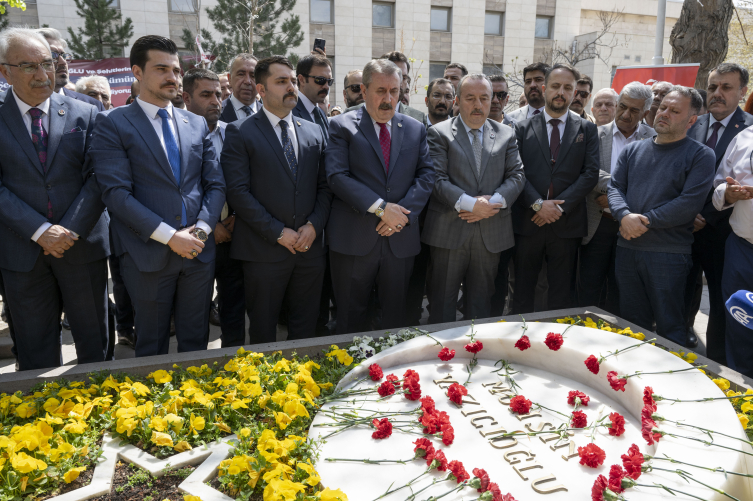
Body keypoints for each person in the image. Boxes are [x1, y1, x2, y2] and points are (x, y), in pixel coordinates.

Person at [90, 35, 226, 357]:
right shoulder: (113, 123)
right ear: (137, 72)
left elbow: (215, 184)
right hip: (146, 255)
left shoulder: (195, 123)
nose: (173, 78)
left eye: (177, 71)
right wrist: (170, 237)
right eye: (162, 69)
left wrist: (202, 231)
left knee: (197, 343)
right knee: (151, 345)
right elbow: (116, 194)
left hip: (198, 252)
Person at [0, 28, 109, 370]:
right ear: (5, 71)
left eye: (48, 63)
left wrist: (68, 230)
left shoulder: (86, 113)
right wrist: (39, 230)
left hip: (82, 248)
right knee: (35, 352)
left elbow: (98, 179)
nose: (43, 74)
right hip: (22, 253)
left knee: (96, 347)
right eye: (29, 66)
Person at [222, 56, 332, 342]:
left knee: (305, 329)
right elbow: (238, 192)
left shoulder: (314, 131)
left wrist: (314, 226)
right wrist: (277, 232)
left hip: (309, 250)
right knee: (262, 331)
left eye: (293, 81)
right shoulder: (240, 131)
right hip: (263, 253)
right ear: (261, 89)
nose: (291, 87)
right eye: (281, 82)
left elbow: (325, 186)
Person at [325, 59, 435, 334]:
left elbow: (426, 176)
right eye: (381, 91)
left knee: (395, 318)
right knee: (350, 317)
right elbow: (337, 176)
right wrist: (380, 208)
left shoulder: (415, 127)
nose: (389, 99)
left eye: (395, 91)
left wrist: (399, 216)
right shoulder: (340, 126)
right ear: (363, 90)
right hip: (354, 239)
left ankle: (391, 375)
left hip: (400, 239)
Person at [608, 86, 714, 347]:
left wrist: (644, 220)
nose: (664, 113)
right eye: (663, 107)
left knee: (670, 329)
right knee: (632, 327)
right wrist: (623, 216)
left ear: (692, 120)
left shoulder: (701, 155)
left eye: (674, 110)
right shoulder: (633, 151)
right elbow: (615, 188)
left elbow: (688, 204)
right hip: (627, 248)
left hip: (668, 254)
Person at [423, 73, 524, 323]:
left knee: (480, 305)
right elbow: (436, 179)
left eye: (484, 98)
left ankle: (474, 358)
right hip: (448, 232)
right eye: (470, 98)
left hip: (490, 231)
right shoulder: (439, 133)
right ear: (457, 100)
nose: (478, 105)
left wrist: (491, 204)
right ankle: (442, 358)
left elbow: (517, 175)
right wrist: (470, 204)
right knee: (442, 304)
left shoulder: (506, 134)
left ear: (492, 101)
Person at [511, 63, 599, 314]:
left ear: (575, 92)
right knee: (522, 293)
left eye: (568, 88)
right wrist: (538, 204)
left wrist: (558, 208)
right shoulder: (522, 127)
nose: (561, 92)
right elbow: (516, 172)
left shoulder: (587, 129)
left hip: (566, 224)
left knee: (562, 296)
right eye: (555, 86)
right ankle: (521, 345)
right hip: (529, 222)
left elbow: (590, 173)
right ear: (544, 88)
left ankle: (555, 344)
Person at [683, 63, 753, 357]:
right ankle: (679, 348)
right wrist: (688, 215)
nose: (717, 93)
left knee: (724, 309)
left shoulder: (748, 130)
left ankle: (718, 366)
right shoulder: (691, 122)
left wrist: (707, 216)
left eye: (726, 87)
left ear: (742, 92)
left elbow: (728, 181)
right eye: (712, 87)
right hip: (683, 228)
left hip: (725, 236)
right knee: (681, 296)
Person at [182, 67, 246, 347]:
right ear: (186, 97)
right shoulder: (176, 135)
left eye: (219, 94)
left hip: (234, 235)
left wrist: (234, 218)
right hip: (194, 236)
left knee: (233, 307)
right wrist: (211, 226)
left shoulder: (235, 133)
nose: (216, 101)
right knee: (195, 314)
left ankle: (235, 364)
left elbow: (246, 181)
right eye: (206, 95)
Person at [579, 82, 655, 315]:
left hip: (632, 226)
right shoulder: (594, 133)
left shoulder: (653, 138)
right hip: (597, 221)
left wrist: (614, 198)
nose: (625, 114)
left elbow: (653, 180)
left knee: (622, 290)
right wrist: (620, 192)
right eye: (622, 106)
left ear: (645, 113)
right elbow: (589, 171)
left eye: (634, 110)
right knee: (588, 287)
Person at [712, 127, 753, 377]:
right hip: (742, 248)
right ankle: (742, 391)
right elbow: (718, 186)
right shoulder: (744, 138)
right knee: (740, 323)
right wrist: (727, 193)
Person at [35, 28, 105, 112]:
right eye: (53, 56)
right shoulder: (19, 104)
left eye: (64, 55)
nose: (63, 62)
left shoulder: (92, 106)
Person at [344, 52, 426, 124]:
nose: (398, 83)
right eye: (392, 75)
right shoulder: (349, 117)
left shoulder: (418, 119)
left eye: (403, 77)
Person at [293, 54, 332, 133]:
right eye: (320, 80)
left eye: (329, 81)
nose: (326, 86)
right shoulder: (289, 112)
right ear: (302, 80)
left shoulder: (320, 112)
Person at [220, 53, 260, 123]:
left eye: (253, 75)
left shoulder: (270, 114)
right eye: (241, 74)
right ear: (229, 79)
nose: (247, 81)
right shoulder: (216, 113)